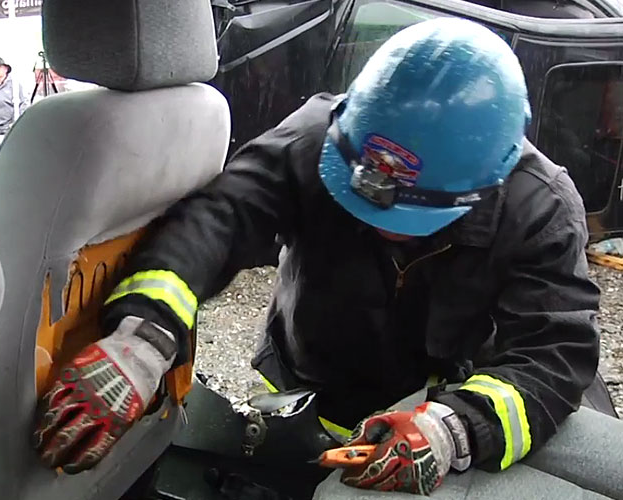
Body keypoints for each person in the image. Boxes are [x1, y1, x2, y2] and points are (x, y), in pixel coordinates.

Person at [32, 18, 600, 495]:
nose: (383, 228)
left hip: (448, 399)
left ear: (488, 181)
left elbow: (554, 354)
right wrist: (144, 338)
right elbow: (220, 218)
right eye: (364, 200)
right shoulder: (315, 142)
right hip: (311, 381)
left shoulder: (540, 209)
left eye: (411, 216)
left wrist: (457, 428)